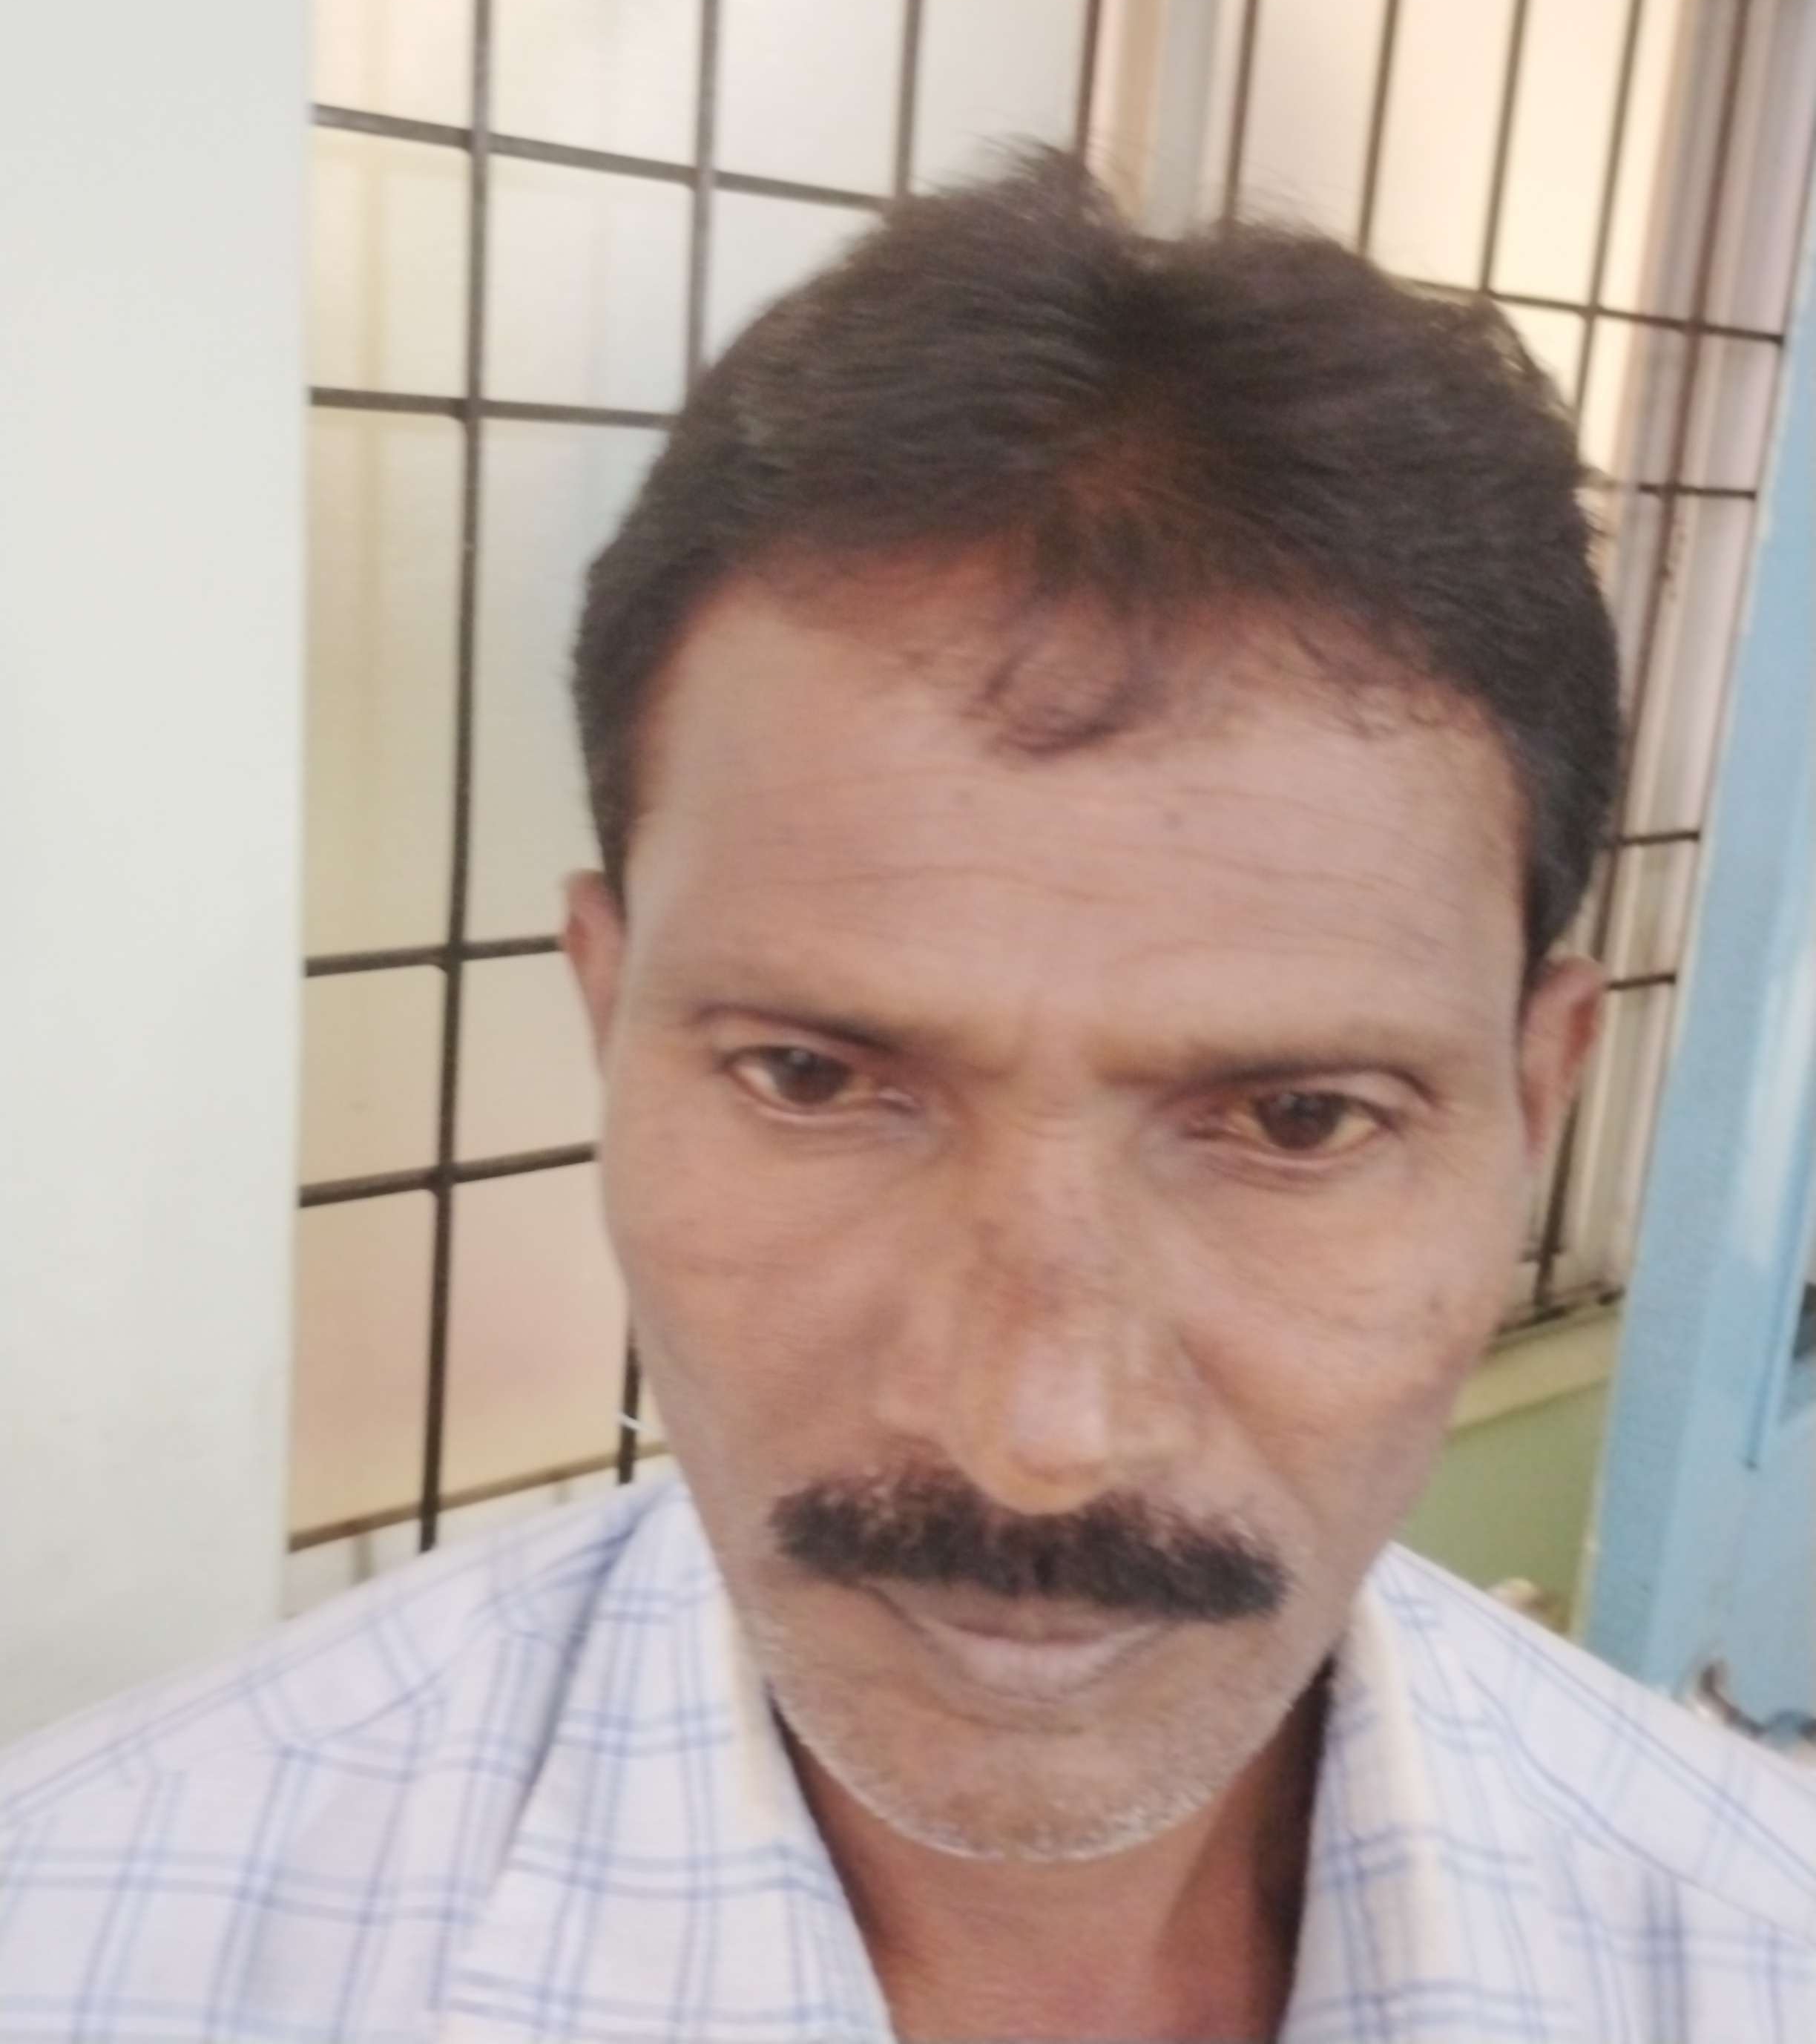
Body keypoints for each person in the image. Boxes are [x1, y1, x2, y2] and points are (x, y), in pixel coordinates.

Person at [1, 151, 1812, 2043]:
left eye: (1296, 1122)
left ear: (1536, 1106)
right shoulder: (79, 1949)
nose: (1040, 1434)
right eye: (812, 1078)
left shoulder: (1759, 1950)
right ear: (609, 1023)